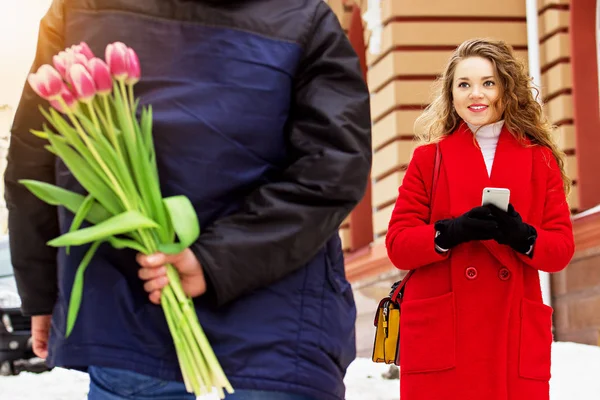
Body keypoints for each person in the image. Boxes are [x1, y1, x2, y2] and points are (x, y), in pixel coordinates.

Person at [5, 1, 372, 399]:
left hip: (132, 331)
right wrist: (216, 260)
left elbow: (34, 157)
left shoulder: (81, 9)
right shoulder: (304, 16)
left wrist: (42, 293)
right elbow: (333, 167)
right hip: (279, 338)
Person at [385, 38, 575, 400]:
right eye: (464, 84)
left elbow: (561, 250)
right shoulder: (429, 159)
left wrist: (522, 237)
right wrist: (449, 232)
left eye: (488, 82)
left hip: (511, 337)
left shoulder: (540, 160)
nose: (477, 94)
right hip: (445, 340)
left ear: (507, 87)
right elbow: (397, 245)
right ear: (451, 93)